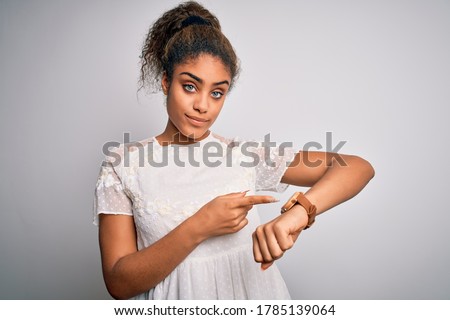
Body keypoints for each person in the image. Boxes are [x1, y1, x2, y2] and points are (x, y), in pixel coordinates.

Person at [93, 1, 374, 300]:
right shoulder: (123, 165)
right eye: (190, 86)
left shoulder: (243, 156)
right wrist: (201, 224)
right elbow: (119, 283)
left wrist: (298, 213)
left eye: (217, 93)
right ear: (166, 81)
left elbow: (357, 167)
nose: (203, 105)